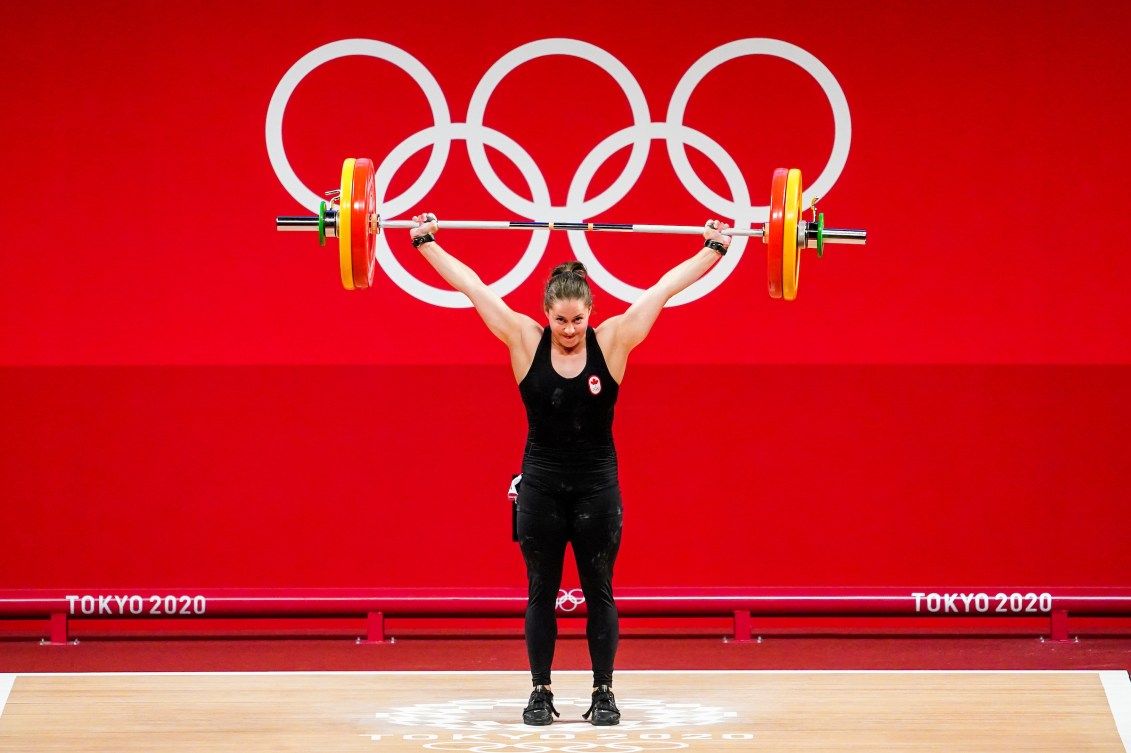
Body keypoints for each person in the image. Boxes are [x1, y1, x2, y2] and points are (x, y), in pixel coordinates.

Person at [408, 214, 732, 726]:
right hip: (539, 487)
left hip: (596, 489)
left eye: (578, 320)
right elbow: (473, 287)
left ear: (590, 314)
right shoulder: (522, 339)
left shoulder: (615, 341)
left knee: (599, 588)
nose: (569, 330)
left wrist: (712, 250)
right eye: (560, 320)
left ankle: (603, 693)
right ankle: (541, 692)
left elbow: (662, 289)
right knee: (541, 589)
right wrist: (425, 242)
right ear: (546, 314)